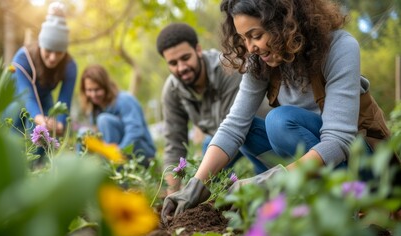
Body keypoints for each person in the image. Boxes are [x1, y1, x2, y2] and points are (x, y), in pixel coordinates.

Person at [161, 0, 393, 221]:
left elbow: (338, 140)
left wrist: (270, 179)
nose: (250, 47)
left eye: (256, 35)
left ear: (285, 22)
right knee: (248, 129)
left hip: (361, 165)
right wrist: (196, 184)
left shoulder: (340, 47)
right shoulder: (260, 61)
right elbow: (234, 126)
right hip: (310, 164)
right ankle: (299, 202)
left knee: (280, 122)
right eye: (243, 38)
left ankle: (342, 205)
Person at [156, 23, 269, 195]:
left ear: (198, 50)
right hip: (220, 140)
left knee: (259, 181)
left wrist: (199, 181)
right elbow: (174, 144)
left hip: (256, 134)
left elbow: (236, 129)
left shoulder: (229, 67)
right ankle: (217, 198)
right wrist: (172, 193)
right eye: (173, 63)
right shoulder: (172, 90)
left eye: (185, 58)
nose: (181, 68)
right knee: (206, 166)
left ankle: (266, 184)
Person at [5, 2, 76, 136]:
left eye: (59, 52)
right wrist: (41, 121)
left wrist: (59, 123)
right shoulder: (22, 59)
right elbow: (27, 96)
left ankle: (40, 157)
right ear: (40, 45)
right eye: (48, 50)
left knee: (46, 136)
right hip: (17, 99)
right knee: (19, 123)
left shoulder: (70, 65)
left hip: (44, 99)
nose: (53, 58)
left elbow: (65, 100)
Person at [79, 64, 156, 167]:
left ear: (106, 87)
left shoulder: (124, 99)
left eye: (97, 90)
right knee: (83, 133)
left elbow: (135, 130)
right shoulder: (95, 108)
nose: (93, 95)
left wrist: (119, 151)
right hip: (116, 152)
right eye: (89, 90)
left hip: (142, 152)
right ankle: (80, 170)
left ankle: (114, 173)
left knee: (104, 120)